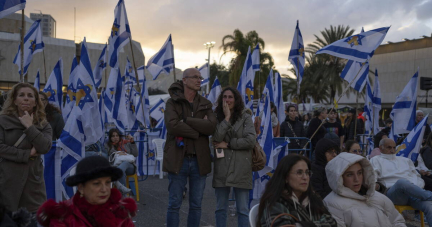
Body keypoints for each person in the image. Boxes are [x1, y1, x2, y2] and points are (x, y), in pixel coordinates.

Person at [163, 68, 217, 227]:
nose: (199, 80)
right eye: (195, 77)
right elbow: (172, 126)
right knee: (174, 204)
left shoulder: (205, 104)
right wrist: (197, 132)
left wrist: (186, 120)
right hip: (178, 159)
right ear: (184, 80)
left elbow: (211, 127)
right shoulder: (172, 102)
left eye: (200, 77)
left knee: (196, 205)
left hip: (199, 160)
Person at [0, 83, 52, 225]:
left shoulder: (44, 124)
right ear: (14, 100)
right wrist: (27, 153)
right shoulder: (2, 121)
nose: (26, 99)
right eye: (21, 95)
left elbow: (45, 147)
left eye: (30, 96)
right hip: (6, 183)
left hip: (33, 186)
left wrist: (30, 126)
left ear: (36, 102)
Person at [37, 156, 137, 226]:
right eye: (96, 183)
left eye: (107, 182)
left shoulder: (120, 211)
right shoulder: (64, 217)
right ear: (81, 188)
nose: (104, 189)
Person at [324, 153, 406, 227]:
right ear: (339, 178)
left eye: (359, 173)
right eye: (349, 175)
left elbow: (397, 221)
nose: (356, 179)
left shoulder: (376, 196)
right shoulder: (331, 204)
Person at [212, 87, 256, 227]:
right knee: (220, 209)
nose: (227, 100)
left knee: (242, 209)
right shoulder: (217, 116)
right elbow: (216, 139)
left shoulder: (246, 117)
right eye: (224, 97)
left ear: (236, 100)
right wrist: (226, 118)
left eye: (230, 97)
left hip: (241, 168)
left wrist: (229, 144)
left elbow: (250, 140)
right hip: (222, 167)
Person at [257, 154, 337, 227]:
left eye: (307, 172)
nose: (305, 177)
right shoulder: (274, 200)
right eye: (299, 173)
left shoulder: (312, 197)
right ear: (286, 177)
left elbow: (331, 222)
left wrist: (300, 225)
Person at [370, 138, 432, 224]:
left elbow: (418, 177)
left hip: (413, 193)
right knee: (401, 182)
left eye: (394, 147)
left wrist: (416, 188)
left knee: (430, 206)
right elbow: (373, 178)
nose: (392, 150)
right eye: (389, 147)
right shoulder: (375, 160)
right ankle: (429, 195)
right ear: (381, 148)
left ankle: (427, 196)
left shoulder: (405, 160)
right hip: (394, 193)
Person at [104, 128, 137, 194]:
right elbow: (107, 159)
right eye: (113, 136)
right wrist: (117, 153)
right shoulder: (107, 145)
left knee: (125, 163)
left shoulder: (126, 143)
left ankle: (122, 194)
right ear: (110, 137)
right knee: (121, 171)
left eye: (117, 135)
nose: (115, 138)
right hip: (116, 166)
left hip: (129, 166)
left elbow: (135, 154)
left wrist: (133, 142)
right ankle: (123, 195)